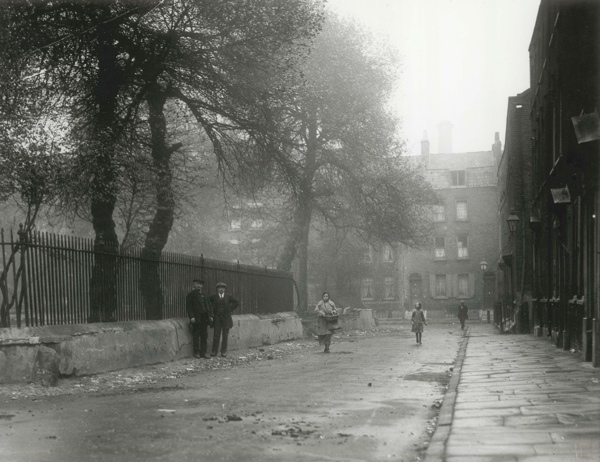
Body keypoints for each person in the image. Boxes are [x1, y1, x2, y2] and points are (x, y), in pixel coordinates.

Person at [209, 282, 239, 358]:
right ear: (217, 289)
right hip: (217, 318)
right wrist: (212, 314)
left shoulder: (228, 296)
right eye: (220, 288)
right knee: (216, 334)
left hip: (226, 318)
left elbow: (236, 302)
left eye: (223, 288)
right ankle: (214, 351)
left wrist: (230, 309)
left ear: (225, 289)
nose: (221, 289)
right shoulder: (213, 297)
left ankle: (224, 351)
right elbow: (209, 305)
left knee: (225, 335)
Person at [186, 278, 213, 359]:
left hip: (205, 317)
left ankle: (203, 353)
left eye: (200, 284)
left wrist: (211, 316)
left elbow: (209, 306)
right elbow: (189, 307)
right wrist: (192, 316)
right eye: (197, 284)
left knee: (204, 335)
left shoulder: (205, 294)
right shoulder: (191, 295)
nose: (199, 286)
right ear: (193, 285)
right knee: (196, 335)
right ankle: (196, 352)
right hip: (197, 317)